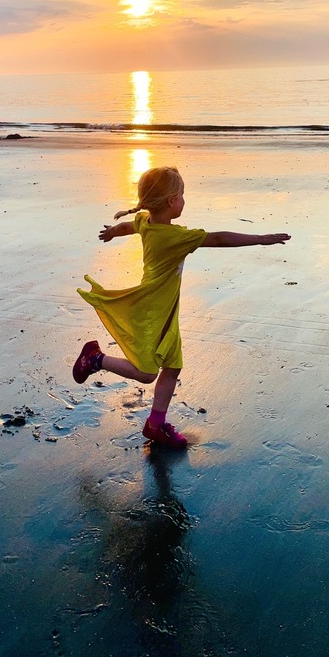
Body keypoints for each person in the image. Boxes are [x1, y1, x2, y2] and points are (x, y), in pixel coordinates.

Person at [73, 166, 291, 449]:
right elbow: (219, 238)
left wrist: (114, 231)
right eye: (182, 195)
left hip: (164, 312)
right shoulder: (174, 237)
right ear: (171, 202)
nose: (185, 200)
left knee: (173, 366)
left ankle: (156, 423)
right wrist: (260, 239)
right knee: (148, 373)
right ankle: (95, 358)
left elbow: (132, 225)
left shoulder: (147, 222)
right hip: (153, 313)